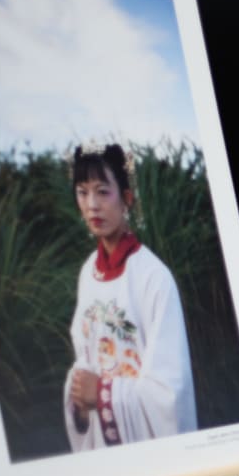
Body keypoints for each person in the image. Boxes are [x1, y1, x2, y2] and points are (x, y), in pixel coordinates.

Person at [63, 142, 197, 450]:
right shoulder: (88, 273)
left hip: (143, 444)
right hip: (102, 436)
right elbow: (85, 355)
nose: (92, 205)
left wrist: (102, 394)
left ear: (126, 199)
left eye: (102, 191)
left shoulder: (154, 278)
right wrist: (79, 390)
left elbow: (169, 391)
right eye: (83, 192)